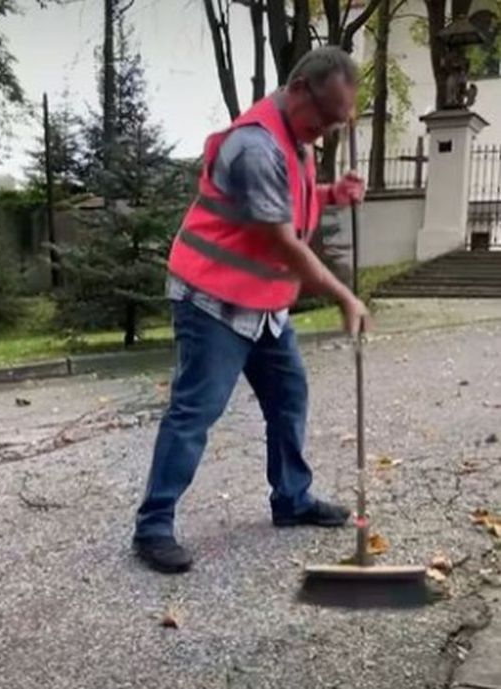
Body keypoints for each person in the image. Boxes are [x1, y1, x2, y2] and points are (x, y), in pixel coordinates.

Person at [132, 46, 369, 574]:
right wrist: (344, 295)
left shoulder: (295, 137)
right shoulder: (256, 146)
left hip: (261, 302)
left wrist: (333, 194)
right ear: (300, 88)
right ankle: (152, 525)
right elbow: (283, 241)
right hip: (213, 298)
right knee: (196, 411)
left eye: (337, 123)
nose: (326, 132)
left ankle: (292, 498)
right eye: (325, 117)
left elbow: (293, 198)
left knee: (289, 396)